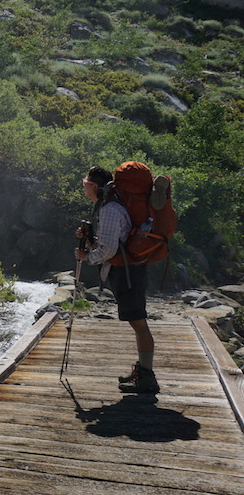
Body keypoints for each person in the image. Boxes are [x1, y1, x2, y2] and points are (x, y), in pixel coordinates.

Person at [74, 165, 159, 394]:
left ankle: (148, 378)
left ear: (93, 186)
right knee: (137, 322)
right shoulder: (108, 206)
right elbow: (111, 243)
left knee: (139, 323)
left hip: (127, 274)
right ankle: (143, 372)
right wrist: (90, 239)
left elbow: (109, 249)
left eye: (85, 184)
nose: (83, 188)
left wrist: (87, 256)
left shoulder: (109, 209)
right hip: (128, 271)